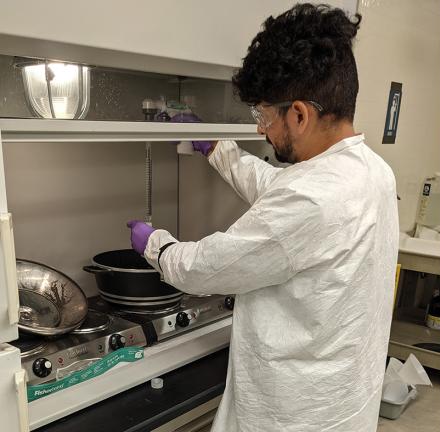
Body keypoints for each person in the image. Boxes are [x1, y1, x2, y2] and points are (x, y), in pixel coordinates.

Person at [127, 4, 399, 431]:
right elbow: (281, 192)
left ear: (300, 114)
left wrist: (156, 246)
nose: (260, 129)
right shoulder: (372, 171)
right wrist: (217, 148)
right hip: (344, 400)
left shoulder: (310, 198)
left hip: (292, 416)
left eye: (263, 116)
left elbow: (203, 268)